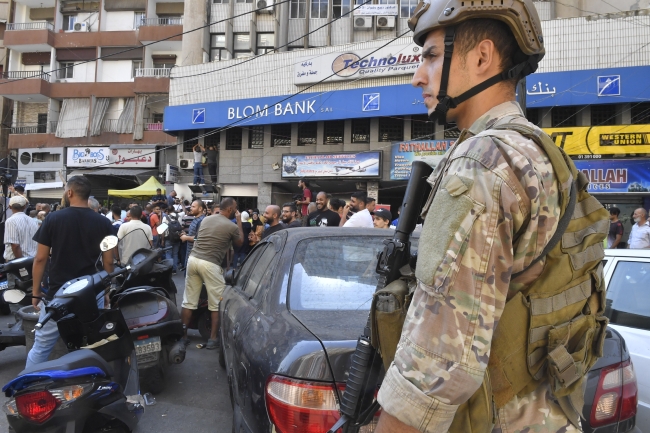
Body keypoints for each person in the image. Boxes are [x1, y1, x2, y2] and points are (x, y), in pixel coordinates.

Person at [375, 2, 607, 432]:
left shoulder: (482, 161)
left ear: (482, 58)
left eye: (430, 57)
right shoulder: (539, 151)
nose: (417, 76)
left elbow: (439, 362)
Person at [27, 176, 114, 368]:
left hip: (59, 294)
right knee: (89, 344)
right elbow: (109, 261)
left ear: (69, 193)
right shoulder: (103, 223)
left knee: (41, 346)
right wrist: (106, 292)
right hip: (92, 292)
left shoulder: (53, 219)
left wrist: (35, 292)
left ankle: (26, 386)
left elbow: (41, 258)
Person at [181, 197, 243, 349]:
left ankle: (182, 337)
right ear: (230, 210)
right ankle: (213, 339)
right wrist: (239, 221)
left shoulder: (206, 220)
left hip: (193, 259)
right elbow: (240, 242)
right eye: (235, 208)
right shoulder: (232, 226)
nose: (236, 210)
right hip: (210, 264)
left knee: (189, 301)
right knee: (216, 304)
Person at [4, 196, 39, 290]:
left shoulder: (10, 221)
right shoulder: (32, 221)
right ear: (24, 207)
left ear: (10, 206)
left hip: (17, 262)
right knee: (29, 289)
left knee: (15, 292)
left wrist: (21, 265)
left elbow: (15, 245)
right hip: (32, 260)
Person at [180, 200, 206, 269]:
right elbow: (195, 234)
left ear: (200, 209)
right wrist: (186, 235)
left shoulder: (201, 221)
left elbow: (199, 238)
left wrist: (186, 238)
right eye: (191, 206)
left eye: (193, 206)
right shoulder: (195, 219)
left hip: (195, 256)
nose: (190, 208)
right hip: (190, 253)